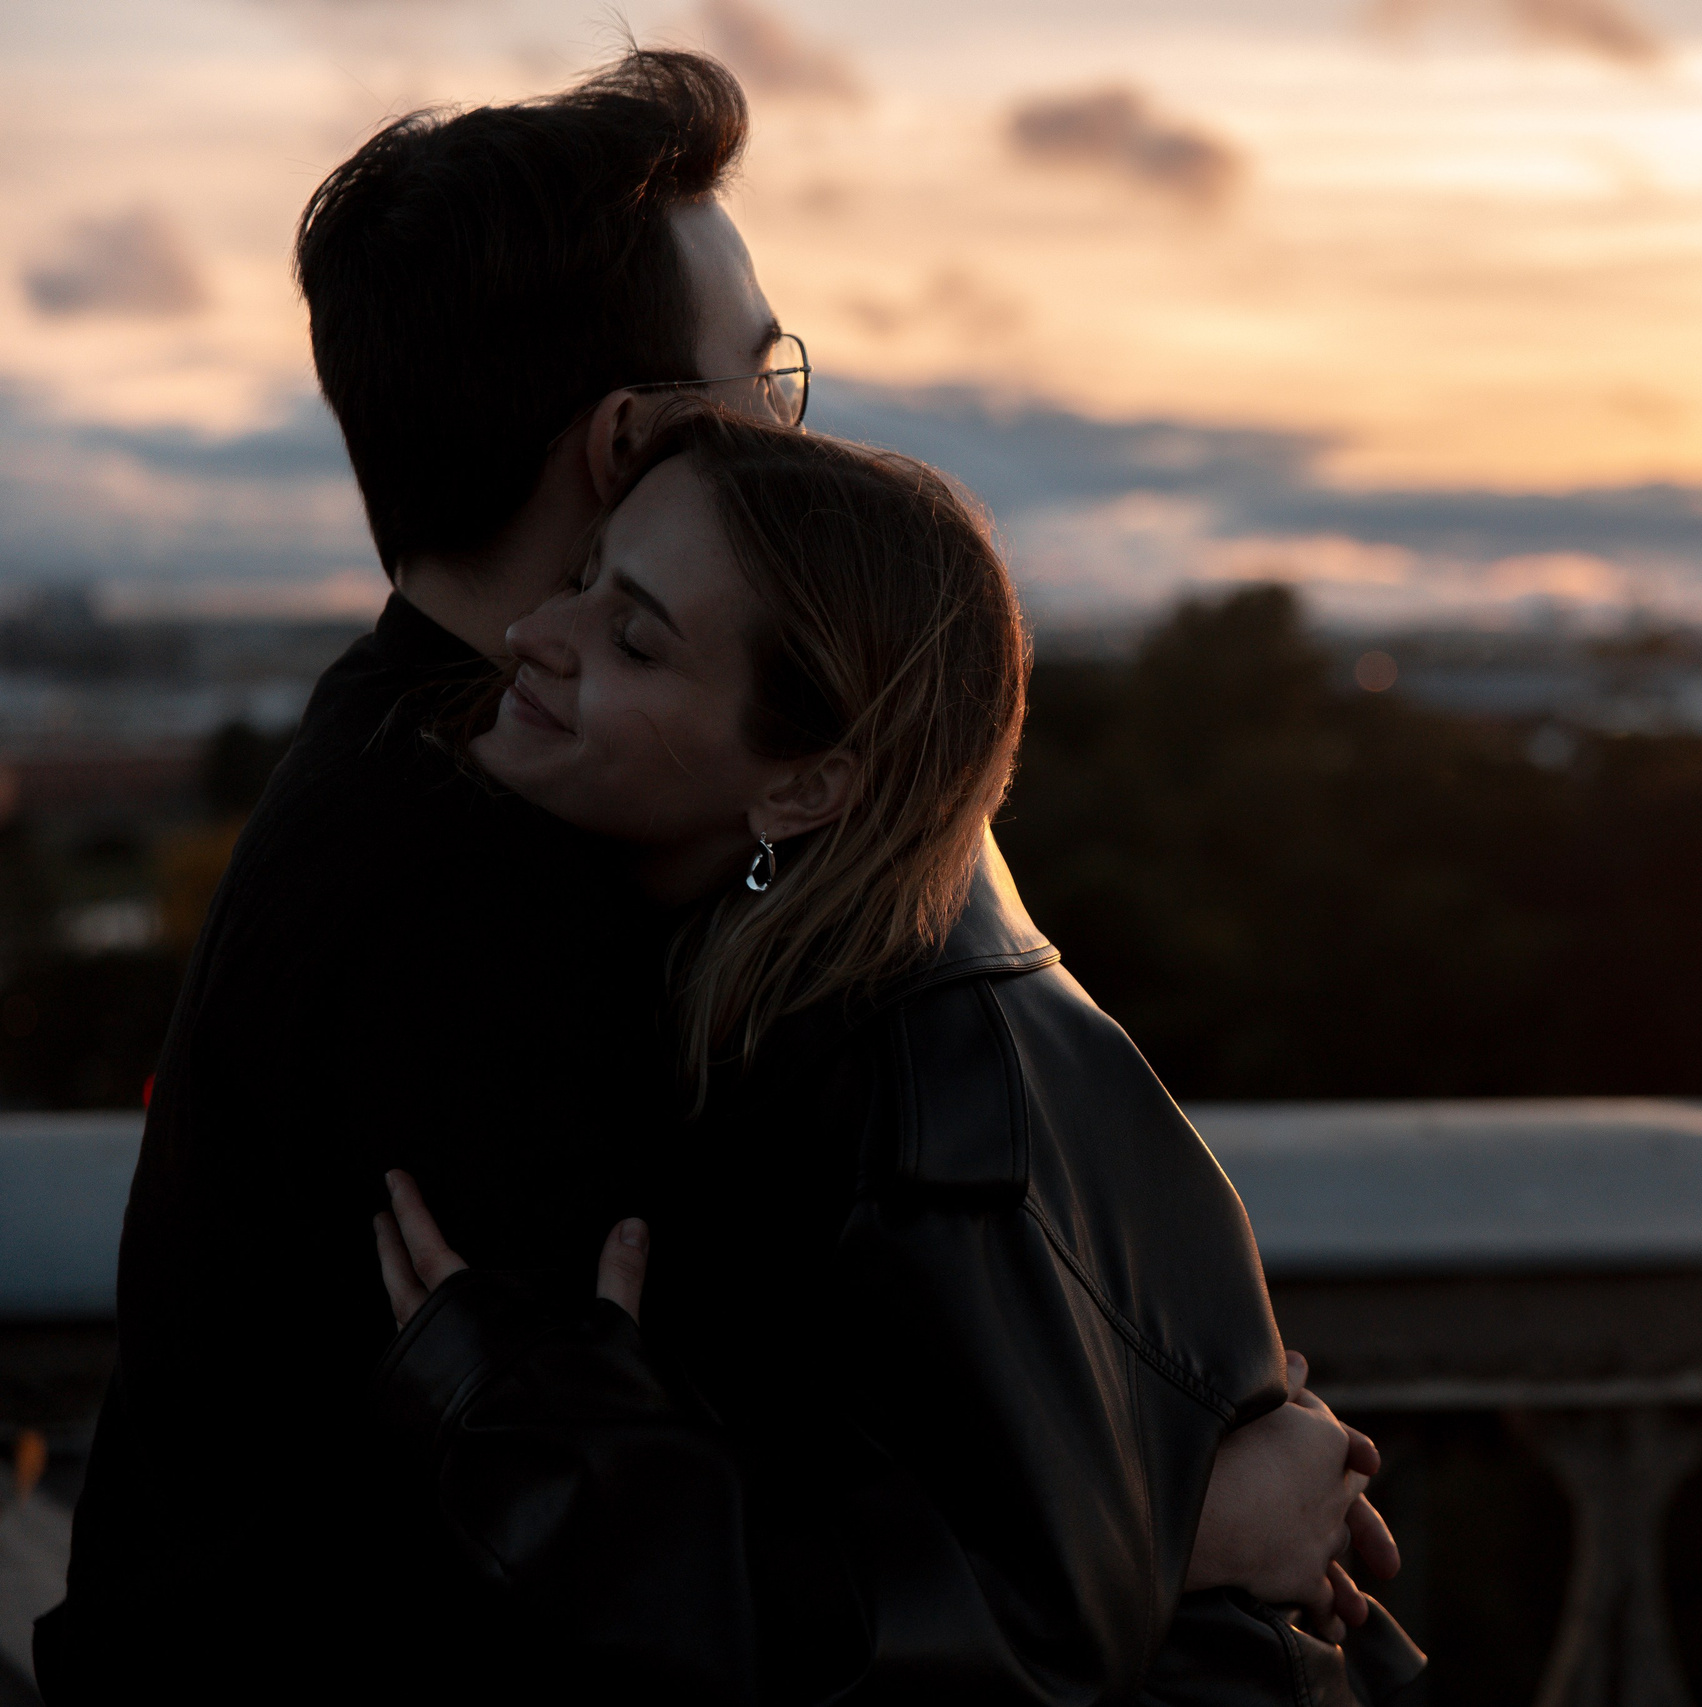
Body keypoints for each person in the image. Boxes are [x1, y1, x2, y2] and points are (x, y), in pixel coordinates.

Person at [36, 47, 1389, 1705]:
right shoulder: (492, 905)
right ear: (632, 440)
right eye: (761, 381)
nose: (783, 430)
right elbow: (632, 1600)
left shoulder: (455, 771)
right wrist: (1173, 1528)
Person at [363, 407, 1424, 1705]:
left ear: (807, 788)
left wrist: (545, 1446)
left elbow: (989, 1652)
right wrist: (1182, 1528)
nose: (538, 631)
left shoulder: (917, 1116)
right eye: (583, 578)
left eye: (634, 637)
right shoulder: (840, 943)